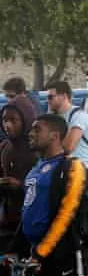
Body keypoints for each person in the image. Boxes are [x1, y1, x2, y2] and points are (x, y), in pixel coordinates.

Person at [9, 115, 88, 276]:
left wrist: (41, 253)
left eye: (37, 129)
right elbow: (29, 210)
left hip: (60, 256)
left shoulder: (72, 167)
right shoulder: (37, 167)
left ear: (54, 135)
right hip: (35, 252)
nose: (31, 133)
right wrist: (16, 248)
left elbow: (67, 215)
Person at [0, 103, 36, 245]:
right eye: (4, 120)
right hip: (8, 217)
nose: (7, 125)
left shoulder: (36, 149)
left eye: (13, 120)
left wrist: (20, 185)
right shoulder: (4, 146)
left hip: (31, 220)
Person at [46, 81, 88, 172]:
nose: (47, 101)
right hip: (61, 170)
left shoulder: (78, 116)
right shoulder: (54, 116)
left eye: (50, 97)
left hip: (80, 171)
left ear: (64, 96)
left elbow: (68, 147)